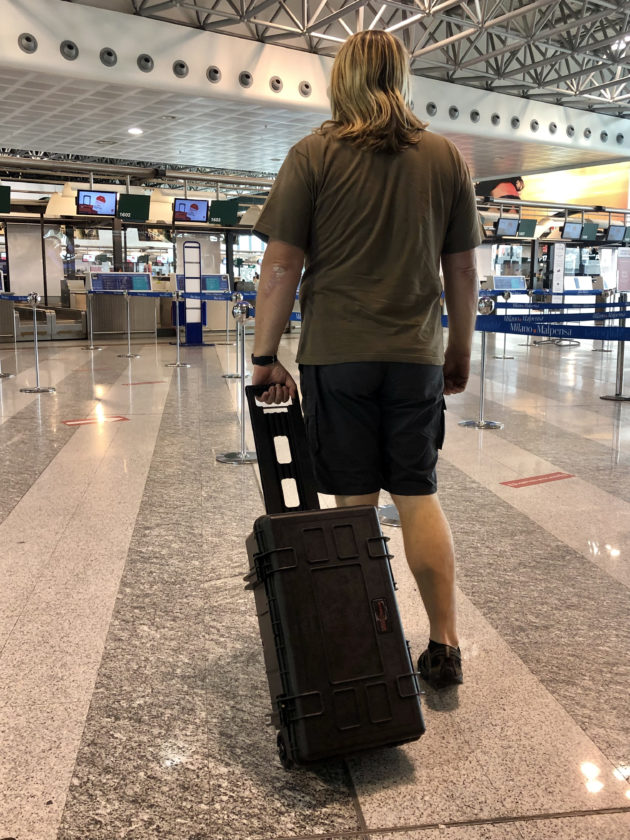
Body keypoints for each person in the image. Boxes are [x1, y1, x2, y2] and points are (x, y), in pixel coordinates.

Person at [251, 30, 480, 690]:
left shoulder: (313, 153)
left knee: (353, 503)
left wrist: (265, 356)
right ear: (400, 79)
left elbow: (282, 266)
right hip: (414, 357)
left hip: (338, 356)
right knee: (417, 493)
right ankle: (444, 644)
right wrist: (457, 351)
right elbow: (464, 269)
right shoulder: (445, 157)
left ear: (342, 79)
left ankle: (367, 639)